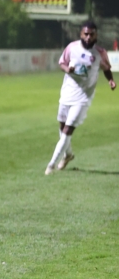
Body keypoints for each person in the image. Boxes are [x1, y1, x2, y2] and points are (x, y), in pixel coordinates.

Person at [45, 21, 115, 175]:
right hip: (67, 93)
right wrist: (67, 69)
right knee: (62, 128)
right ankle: (68, 155)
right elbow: (61, 63)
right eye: (86, 34)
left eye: (92, 34)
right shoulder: (72, 47)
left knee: (68, 129)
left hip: (83, 97)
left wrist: (110, 80)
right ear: (81, 34)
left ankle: (51, 164)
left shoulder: (100, 53)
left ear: (96, 35)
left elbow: (106, 68)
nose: (89, 37)